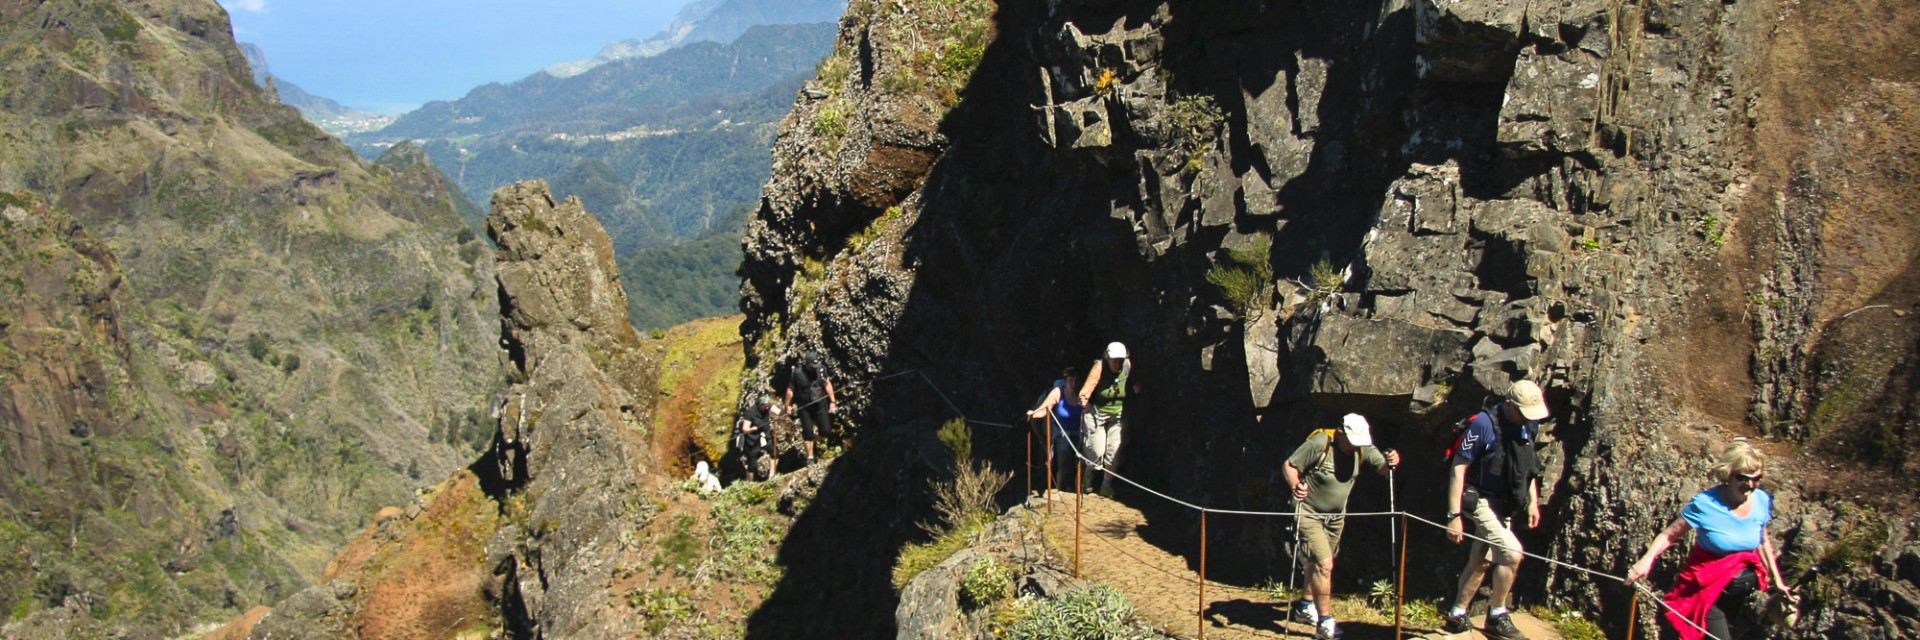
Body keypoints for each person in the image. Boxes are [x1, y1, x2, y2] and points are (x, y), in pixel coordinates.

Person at [1624, 440, 1791, 640]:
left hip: (1738, 593)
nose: (1750, 485)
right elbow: (1669, 535)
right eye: (1743, 478)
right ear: (1729, 474)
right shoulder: (1705, 504)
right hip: (1706, 592)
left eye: (1757, 479)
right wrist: (1647, 560)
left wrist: (1778, 581)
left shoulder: (1761, 501)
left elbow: (1762, 540)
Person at [1442, 379, 1550, 640]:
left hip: (1505, 503)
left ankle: (1457, 613)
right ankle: (1497, 614)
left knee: (1482, 559)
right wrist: (1454, 516)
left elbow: (1529, 466)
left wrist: (1532, 502)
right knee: (1511, 554)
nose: (1527, 419)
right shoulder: (1483, 424)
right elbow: (1459, 467)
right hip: (1478, 498)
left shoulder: (1529, 424)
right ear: (1510, 404)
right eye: (1523, 412)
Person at [1283, 414, 1400, 640]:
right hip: (1308, 513)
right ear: (1340, 433)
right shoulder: (1320, 443)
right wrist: (1296, 485)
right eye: (1352, 441)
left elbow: (1384, 469)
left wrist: (1392, 460)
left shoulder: (1361, 448)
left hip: (1336, 518)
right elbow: (1289, 465)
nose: (1356, 447)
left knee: (1318, 563)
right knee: (1324, 564)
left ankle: (1306, 606)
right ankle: (1325, 622)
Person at [1076, 342, 1138, 497]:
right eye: (1114, 360)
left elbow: (1133, 383)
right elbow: (1085, 392)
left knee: (1115, 452)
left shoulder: (1128, 366)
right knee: (1096, 451)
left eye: (1120, 360)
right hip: (1097, 413)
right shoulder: (1100, 367)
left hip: (1117, 415)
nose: (1117, 364)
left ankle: (1106, 485)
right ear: (1107, 359)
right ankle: (1089, 474)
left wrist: (1136, 389)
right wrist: (1085, 404)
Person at [1026, 366, 1086, 495]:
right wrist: (1035, 413)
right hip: (1062, 433)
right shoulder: (1058, 392)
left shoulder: (1084, 392)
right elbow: (1045, 407)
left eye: (1076, 381)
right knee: (1064, 464)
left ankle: (1078, 490)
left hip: (1081, 432)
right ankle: (1062, 490)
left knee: (1081, 463)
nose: (1073, 384)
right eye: (1070, 380)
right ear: (1065, 381)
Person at [784, 355, 836, 466]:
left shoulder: (821, 369)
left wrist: (832, 401)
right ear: (806, 363)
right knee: (807, 433)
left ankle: (813, 440)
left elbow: (827, 384)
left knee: (826, 431)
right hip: (805, 408)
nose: (814, 368)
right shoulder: (797, 373)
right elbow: (790, 390)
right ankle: (810, 457)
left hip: (820, 405)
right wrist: (787, 405)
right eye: (812, 365)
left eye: (815, 365)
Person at [736, 395, 777, 479]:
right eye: (765, 406)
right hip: (752, 440)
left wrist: (786, 412)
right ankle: (749, 483)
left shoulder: (768, 406)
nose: (767, 408)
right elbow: (745, 429)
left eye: (768, 406)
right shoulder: (750, 412)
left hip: (765, 436)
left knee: (774, 452)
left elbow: (779, 412)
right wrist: (752, 429)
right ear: (760, 405)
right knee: (752, 465)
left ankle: (772, 475)